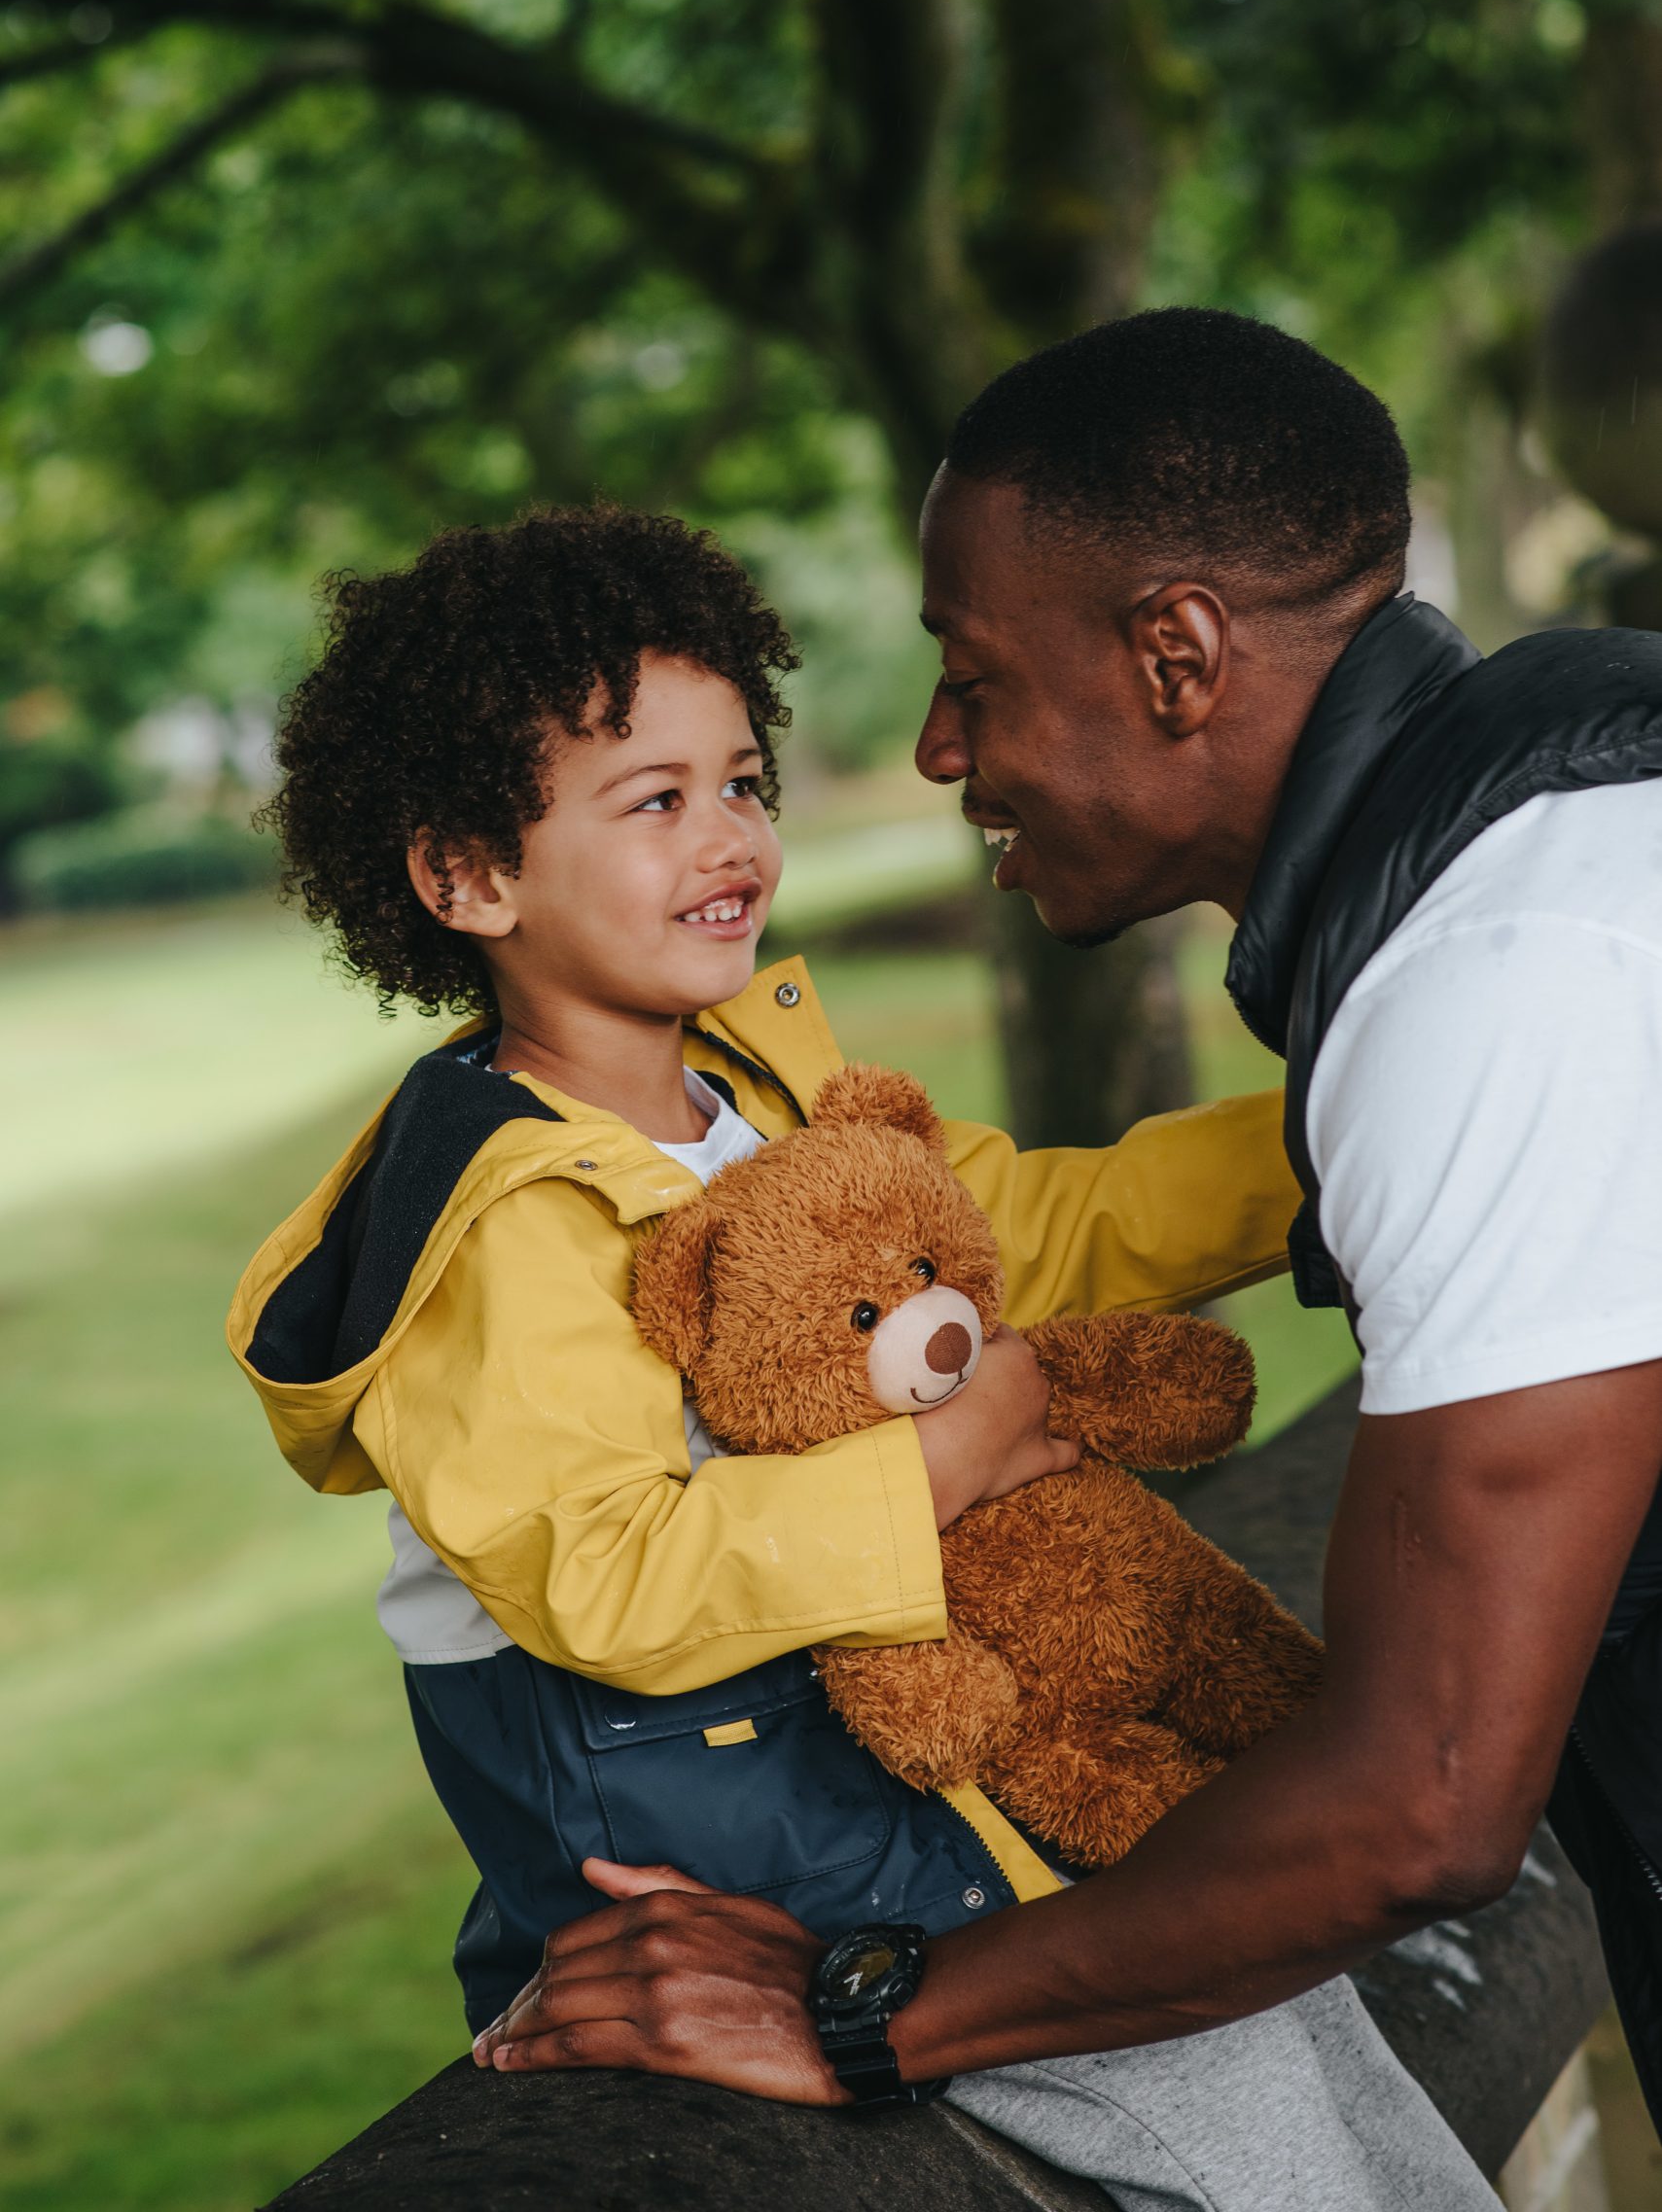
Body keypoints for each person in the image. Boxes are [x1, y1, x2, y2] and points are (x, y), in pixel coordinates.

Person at [470, 311, 1662, 2179]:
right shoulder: (1560, 843)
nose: (941, 746)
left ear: (1174, 655)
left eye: (973, 673)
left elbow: (1420, 1805)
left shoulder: (1499, 979)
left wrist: (865, 2011)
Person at [228, 506, 1492, 2205]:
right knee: (1216, 2071)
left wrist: (1359, 1117)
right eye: (652, 800)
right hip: (728, 1839)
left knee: (1290, 1990)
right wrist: (958, 1453)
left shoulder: (753, 1101)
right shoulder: (493, 1222)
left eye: (742, 780)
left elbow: (1045, 1224)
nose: (727, 834)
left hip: (901, 1756)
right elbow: (602, 1577)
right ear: (466, 875)